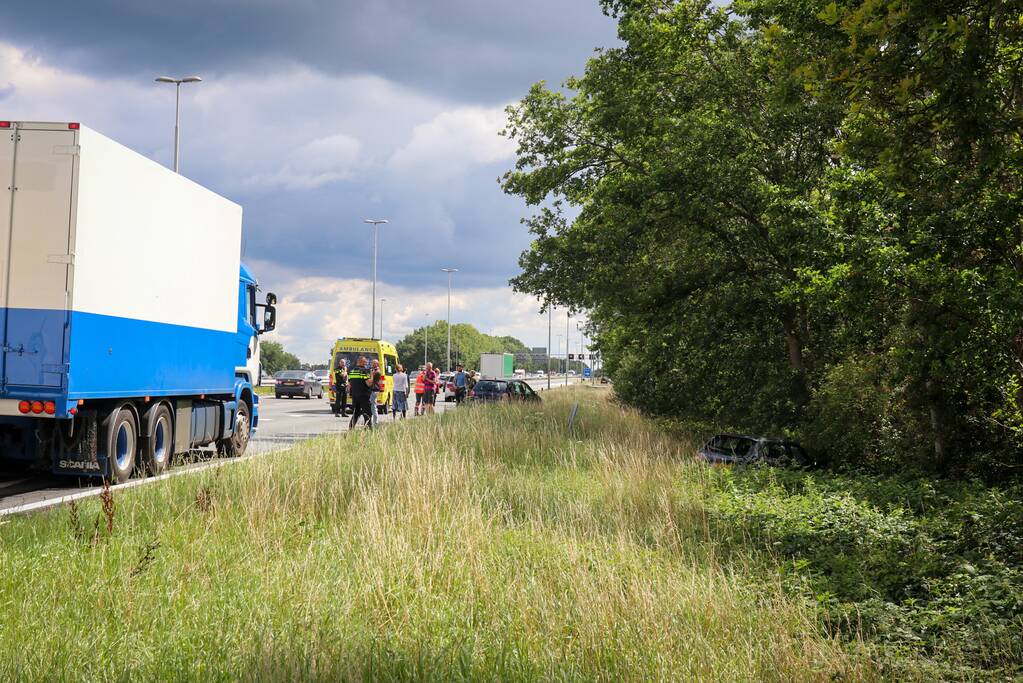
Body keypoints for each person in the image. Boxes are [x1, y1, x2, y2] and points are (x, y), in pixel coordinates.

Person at [348, 356, 374, 429]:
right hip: (364, 396)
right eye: (365, 361)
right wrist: (372, 376)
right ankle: (368, 429)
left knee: (356, 413)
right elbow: (369, 383)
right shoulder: (365, 371)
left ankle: (350, 429)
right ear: (361, 362)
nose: (366, 363)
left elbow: (349, 384)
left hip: (355, 396)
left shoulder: (352, 371)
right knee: (367, 413)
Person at [369, 358, 384, 428]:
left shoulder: (377, 371)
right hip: (373, 390)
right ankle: (373, 422)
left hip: (374, 390)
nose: (373, 364)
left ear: (377, 364)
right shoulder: (374, 370)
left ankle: (375, 423)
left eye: (374, 363)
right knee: (372, 406)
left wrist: (371, 374)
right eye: (372, 363)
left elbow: (371, 379)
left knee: (373, 406)